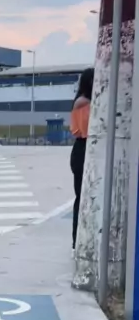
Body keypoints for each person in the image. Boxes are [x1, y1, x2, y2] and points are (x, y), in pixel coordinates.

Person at [70, 67, 94, 253]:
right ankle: (78, 240)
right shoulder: (85, 103)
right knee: (83, 197)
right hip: (85, 149)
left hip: (81, 149)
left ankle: (78, 240)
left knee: (81, 197)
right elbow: (84, 130)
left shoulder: (80, 101)